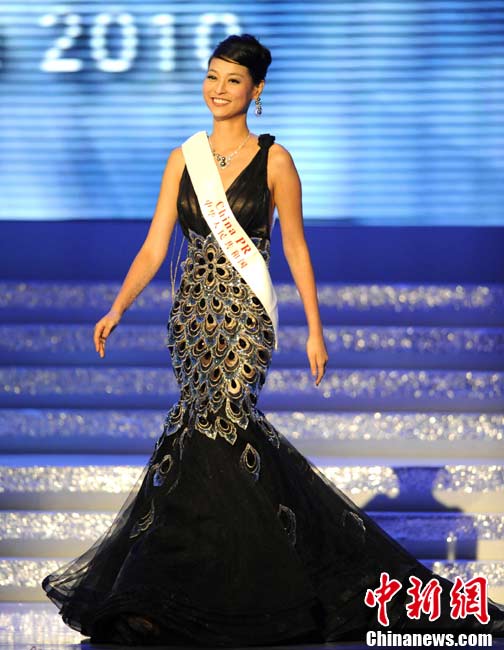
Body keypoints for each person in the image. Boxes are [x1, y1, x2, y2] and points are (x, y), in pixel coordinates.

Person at [42, 33, 504, 645]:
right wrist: (118, 306)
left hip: (245, 319)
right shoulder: (183, 158)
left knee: (221, 427)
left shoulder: (276, 160)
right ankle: (195, 592)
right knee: (206, 439)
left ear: (256, 90)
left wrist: (315, 328)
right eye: (212, 76)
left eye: (233, 80)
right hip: (192, 318)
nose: (218, 89)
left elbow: (296, 248)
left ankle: (194, 594)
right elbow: (155, 245)